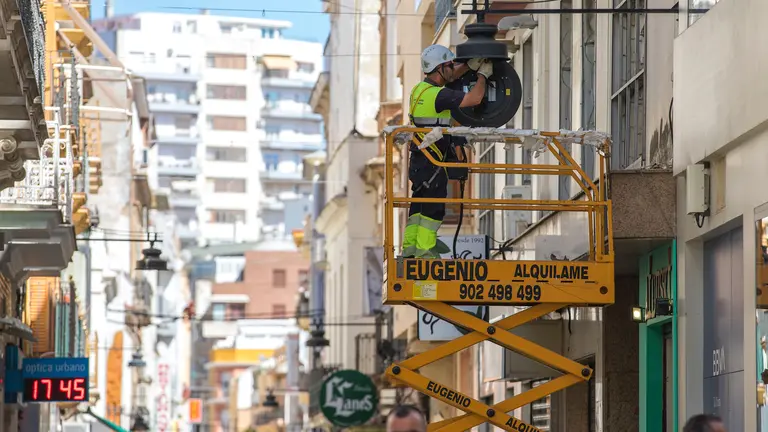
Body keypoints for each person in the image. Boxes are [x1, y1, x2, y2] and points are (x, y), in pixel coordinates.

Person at [402, 44, 493, 258]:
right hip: (433, 162)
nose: (453, 67)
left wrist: (467, 66)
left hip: (420, 160)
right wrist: (482, 76)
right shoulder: (438, 95)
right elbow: (474, 99)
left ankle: (410, 249)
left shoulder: (419, 90)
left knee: (419, 206)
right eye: (449, 65)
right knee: (433, 207)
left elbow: (451, 76)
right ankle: (424, 250)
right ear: (440, 68)